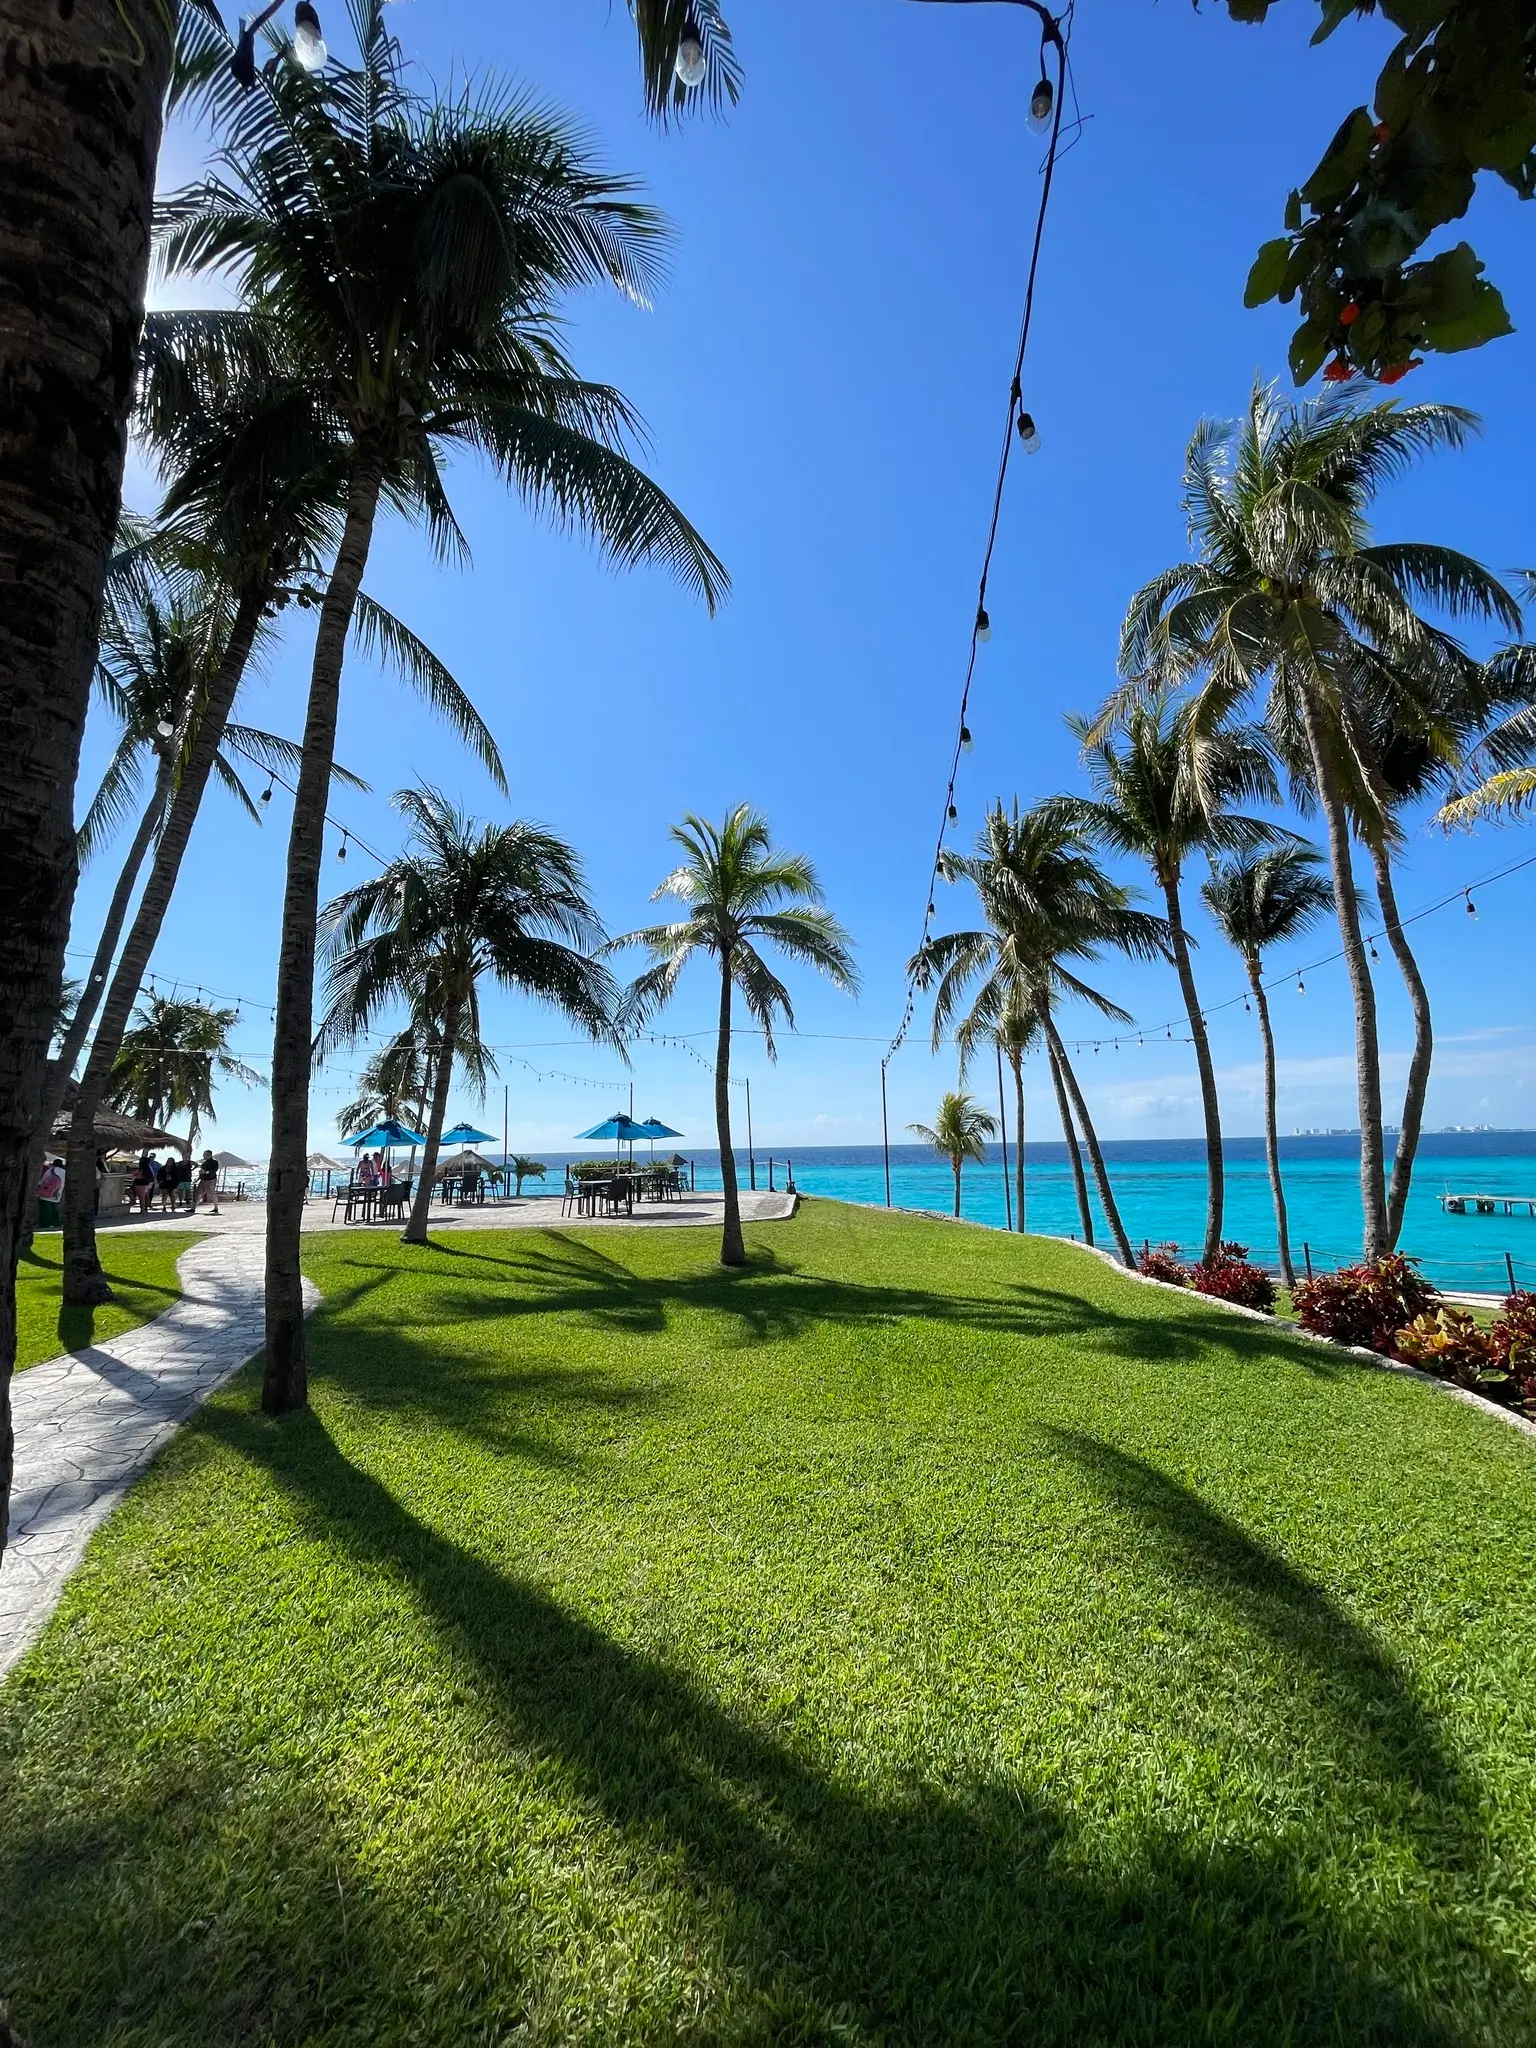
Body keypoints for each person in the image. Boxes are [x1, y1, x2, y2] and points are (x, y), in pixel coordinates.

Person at [36, 1157, 65, 1230]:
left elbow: (43, 1181)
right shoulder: (64, 1172)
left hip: (46, 1192)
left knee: (45, 1208)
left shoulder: (50, 1170)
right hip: (57, 1193)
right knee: (54, 1207)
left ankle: (45, 1223)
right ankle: (56, 1222)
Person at [196, 1149, 221, 1215]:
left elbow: (214, 1171)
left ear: (209, 1155)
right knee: (199, 1193)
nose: (204, 1156)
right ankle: (193, 1208)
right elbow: (201, 1172)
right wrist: (198, 1178)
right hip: (203, 1180)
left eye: (205, 1154)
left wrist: (205, 1172)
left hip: (211, 1180)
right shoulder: (204, 1163)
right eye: (203, 1154)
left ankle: (216, 1208)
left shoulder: (214, 1162)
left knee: (211, 1193)